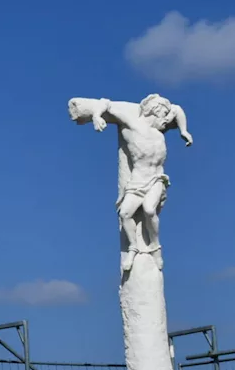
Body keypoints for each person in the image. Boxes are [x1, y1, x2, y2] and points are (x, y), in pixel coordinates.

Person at [68, 94, 193, 272]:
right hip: (138, 180)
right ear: (154, 112)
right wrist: (96, 116)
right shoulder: (133, 124)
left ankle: (155, 247)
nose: (166, 120)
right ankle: (133, 247)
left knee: (150, 209)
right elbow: (106, 104)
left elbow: (177, 109)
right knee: (125, 214)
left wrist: (183, 131)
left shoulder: (159, 129)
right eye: (163, 116)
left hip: (156, 178)